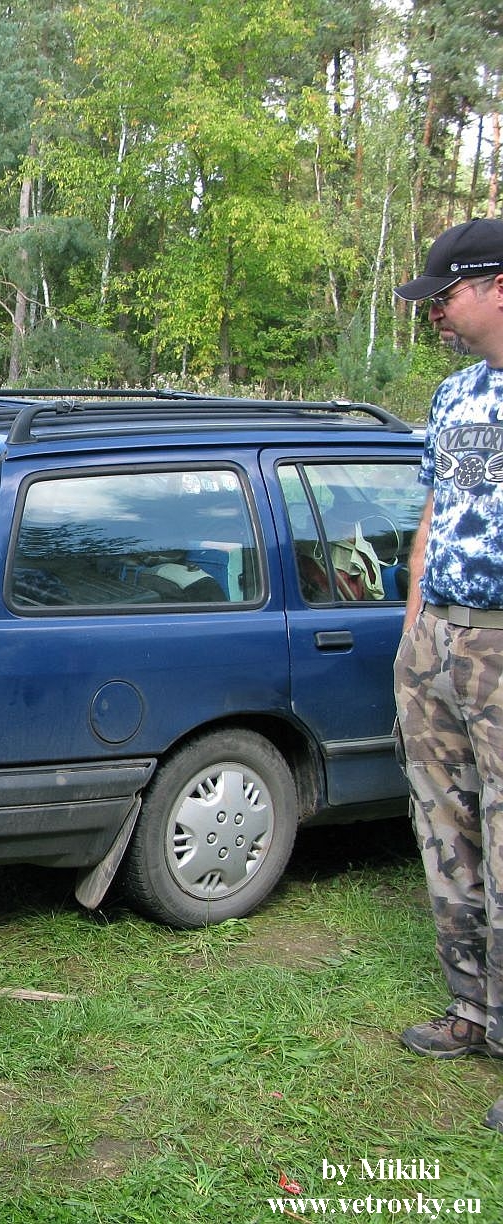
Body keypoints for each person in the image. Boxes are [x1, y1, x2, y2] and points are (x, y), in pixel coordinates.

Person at [389, 217, 503, 1132]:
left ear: (498, 286)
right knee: (445, 823)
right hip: (438, 640)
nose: (434, 313)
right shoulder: (455, 394)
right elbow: (435, 508)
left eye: (446, 295)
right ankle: (473, 1007)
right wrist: (413, 628)